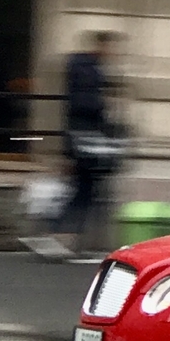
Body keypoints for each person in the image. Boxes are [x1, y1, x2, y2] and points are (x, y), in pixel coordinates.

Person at [53, 30, 124, 259]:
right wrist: (106, 107)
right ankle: (64, 235)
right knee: (84, 189)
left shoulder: (87, 69)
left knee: (84, 189)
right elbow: (84, 106)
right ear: (101, 46)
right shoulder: (88, 71)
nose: (113, 53)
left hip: (85, 140)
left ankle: (67, 237)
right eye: (111, 47)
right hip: (87, 141)